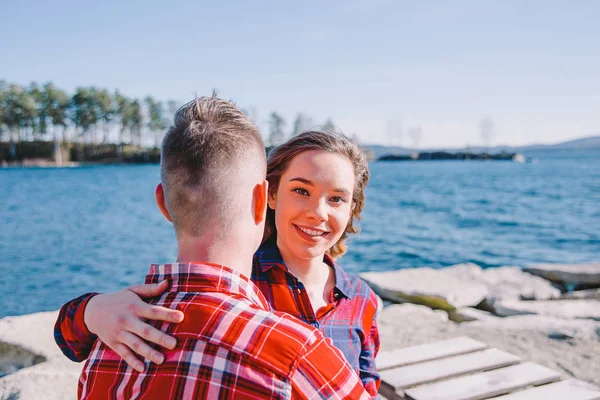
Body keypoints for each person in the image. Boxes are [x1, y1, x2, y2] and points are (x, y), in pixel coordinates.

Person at [70, 95, 369, 399]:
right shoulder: (298, 353)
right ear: (263, 199)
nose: (318, 212)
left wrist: (89, 311)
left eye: (337, 198)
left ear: (163, 203)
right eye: (301, 190)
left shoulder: (110, 342)